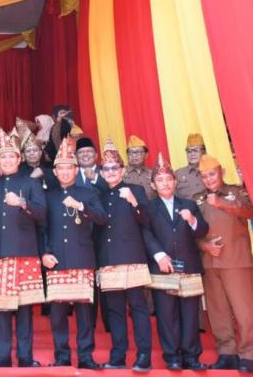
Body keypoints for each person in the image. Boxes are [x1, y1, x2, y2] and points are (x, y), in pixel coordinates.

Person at [0, 131, 46, 368]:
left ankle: (26, 357)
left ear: (19, 159)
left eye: (12, 156)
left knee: (25, 309)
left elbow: (42, 214)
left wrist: (22, 203)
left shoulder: (30, 183)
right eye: (3, 157)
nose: (7, 160)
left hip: (25, 253)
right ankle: (2, 357)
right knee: (1, 309)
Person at [41, 138, 107, 370]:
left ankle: (86, 356)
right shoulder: (48, 196)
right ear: (55, 171)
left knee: (84, 313)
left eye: (69, 168)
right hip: (56, 260)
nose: (65, 172)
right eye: (61, 168)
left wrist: (81, 206)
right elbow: (42, 228)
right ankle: (62, 356)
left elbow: (102, 218)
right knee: (57, 314)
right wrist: (44, 253)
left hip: (82, 258)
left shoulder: (88, 193)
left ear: (76, 170)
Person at [143, 153, 209, 371]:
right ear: (153, 184)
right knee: (166, 314)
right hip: (163, 267)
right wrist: (159, 255)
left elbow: (202, 231)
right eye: (160, 180)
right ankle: (172, 356)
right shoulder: (149, 207)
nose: (165, 183)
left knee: (190, 314)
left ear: (175, 182)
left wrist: (192, 219)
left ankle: (191, 356)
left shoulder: (189, 204)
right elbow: (145, 233)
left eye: (168, 179)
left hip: (188, 265)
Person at [194, 155, 253, 373]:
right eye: (204, 176)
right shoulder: (198, 199)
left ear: (221, 172)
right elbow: (191, 231)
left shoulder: (236, 192)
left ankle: (248, 354)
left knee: (243, 310)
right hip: (210, 262)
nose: (208, 179)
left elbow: (251, 211)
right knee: (218, 311)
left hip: (236, 261)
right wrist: (204, 246)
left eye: (212, 174)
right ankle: (227, 353)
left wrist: (221, 203)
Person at [95, 139, 153, 372]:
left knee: (138, 307)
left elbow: (147, 221)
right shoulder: (98, 195)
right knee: (115, 310)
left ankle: (144, 356)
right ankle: (118, 355)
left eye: (114, 168)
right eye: (106, 168)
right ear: (101, 172)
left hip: (131, 258)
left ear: (122, 170)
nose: (110, 172)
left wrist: (133, 201)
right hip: (108, 259)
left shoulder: (136, 190)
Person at [174, 133, 207, 200]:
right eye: (189, 151)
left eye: (196, 150)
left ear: (203, 152)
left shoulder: (211, 171)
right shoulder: (178, 174)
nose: (192, 154)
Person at [123, 135, 156, 199]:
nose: (134, 155)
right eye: (130, 152)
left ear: (146, 154)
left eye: (138, 152)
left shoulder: (153, 174)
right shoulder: (120, 173)